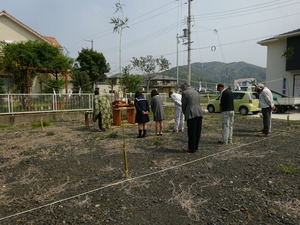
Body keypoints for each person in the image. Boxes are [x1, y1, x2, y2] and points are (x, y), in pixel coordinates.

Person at [180, 83, 204, 153]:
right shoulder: (196, 91)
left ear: (183, 88)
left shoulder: (185, 93)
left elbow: (183, 105)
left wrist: (185, 112)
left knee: (191, 132)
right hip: (199, 112)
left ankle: (191, 148)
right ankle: (195, 147)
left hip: (191, 113)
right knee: (197, 131)